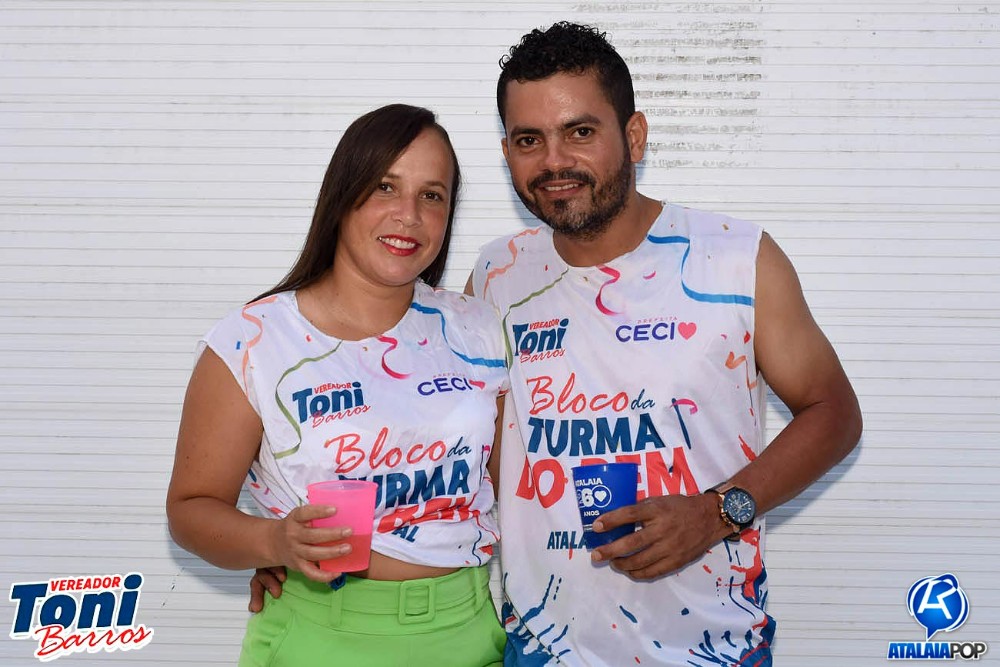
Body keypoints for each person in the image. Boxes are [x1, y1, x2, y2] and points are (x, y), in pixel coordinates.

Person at [252, 22, 863, 667]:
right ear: (507, 152)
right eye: (529, 140)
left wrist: (718, 513)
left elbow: (834, 412)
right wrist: (280, 546)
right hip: (538, 647)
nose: (553, 161)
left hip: (713, 647)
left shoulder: (734, 258)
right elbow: (430, 437)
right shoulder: (497, 276)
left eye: (580, 132)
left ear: (634, 135)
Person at [166, 103, 508, 667]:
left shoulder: (479, 327)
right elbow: (190, 510)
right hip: (320, 632)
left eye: (432, 195)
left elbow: (513, 490)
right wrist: (273, 542)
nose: (409, 215)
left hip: (467, 629)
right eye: (385, 187)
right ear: (342, 194)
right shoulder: (252, 342)